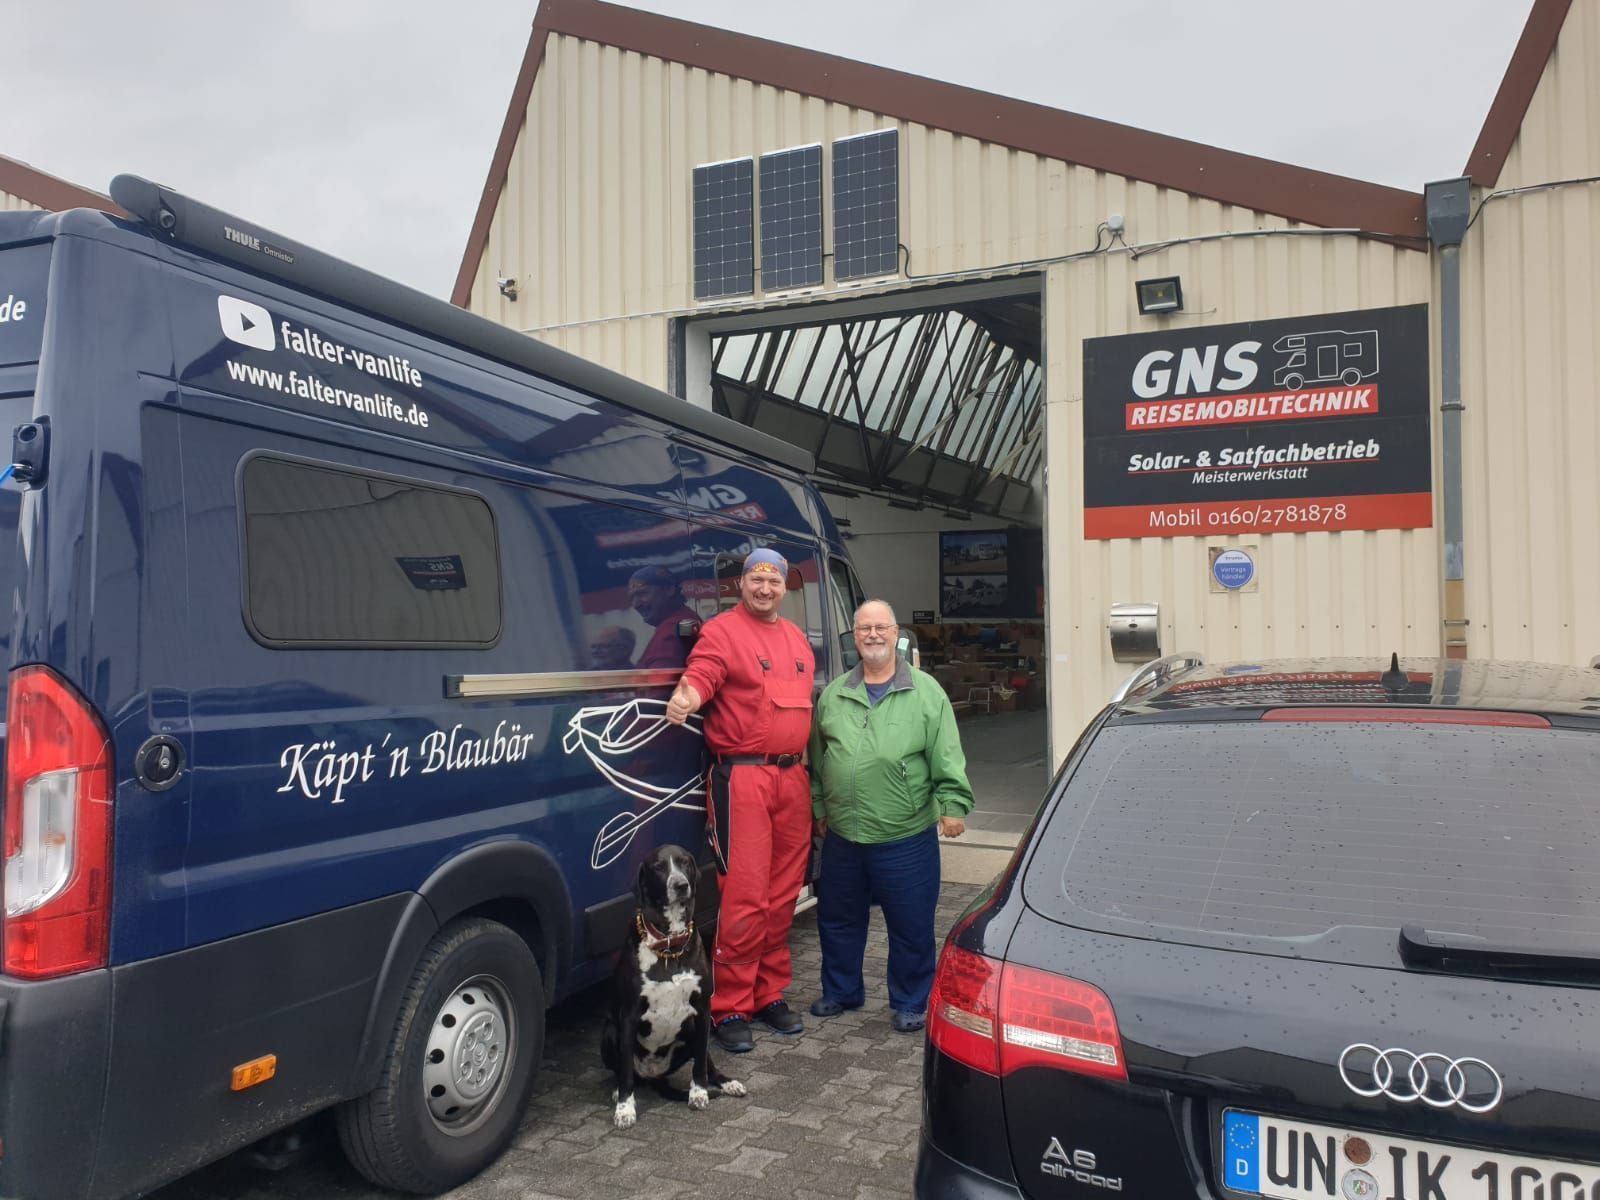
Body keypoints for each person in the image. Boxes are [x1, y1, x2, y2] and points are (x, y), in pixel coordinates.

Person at [664, 548, 813, 1053]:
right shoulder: (723, 631)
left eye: (773, 580)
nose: (765, 588)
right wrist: (687, 695)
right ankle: (730, 1006)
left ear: (785, 587)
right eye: (756, 579)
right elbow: (703, 672)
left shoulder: (796, 639)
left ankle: (769, 994)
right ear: (741, 584)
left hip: (793, 779)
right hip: (743, 780)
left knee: (784, 891)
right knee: (746, 894)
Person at [806, 599, 972, 1033]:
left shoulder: (925, 691)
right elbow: (818, 757)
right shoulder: (835, 694)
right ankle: (842, 990)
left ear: (896, 632)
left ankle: (911, 999)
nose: (873, 635)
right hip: (844, 834)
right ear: (854, 636)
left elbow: (946, 754)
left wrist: (953, 805)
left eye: (881, 627)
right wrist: (820, 807)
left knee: (911, 922)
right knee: (838, 918)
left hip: (905, 834)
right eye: (865, 629)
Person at [628, 565, 698, 669]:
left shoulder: (674, 629)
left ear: (669, 589)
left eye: (642, 593)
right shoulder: (684, 621)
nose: (635, 604)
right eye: (632, 597)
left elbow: (658, 682)